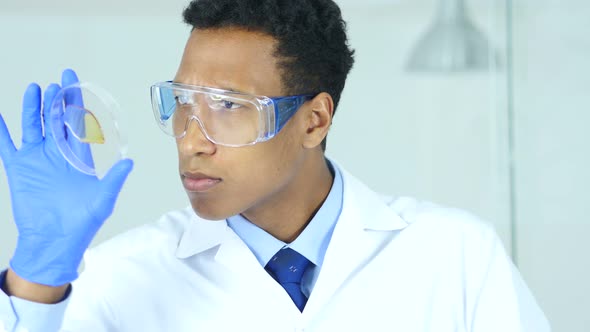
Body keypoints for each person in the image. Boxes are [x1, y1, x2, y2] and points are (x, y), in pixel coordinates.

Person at [0, 0, 550, 331]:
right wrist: (37, 277)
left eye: (229, 107)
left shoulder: (455, 257)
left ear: (314, 121)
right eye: (182, 102)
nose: (191, 139)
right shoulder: (120, 277)